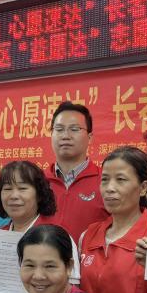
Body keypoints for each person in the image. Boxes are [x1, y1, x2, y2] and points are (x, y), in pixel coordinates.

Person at [78, 146, 147, 293]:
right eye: (104, 180)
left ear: (143, 187)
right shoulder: (87, 236)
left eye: (121, 180)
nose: (109, 188)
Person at [46, 102, 106, 239]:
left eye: (74, 129)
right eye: (59, 129)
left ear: (90, 137)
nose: (65, 136)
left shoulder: (105, 181)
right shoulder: (38, 182)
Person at [0, 160, 56, 232]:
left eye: (22, 188)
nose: (14, 196)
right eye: (8, 189)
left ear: (39, 194)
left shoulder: (54, 234)